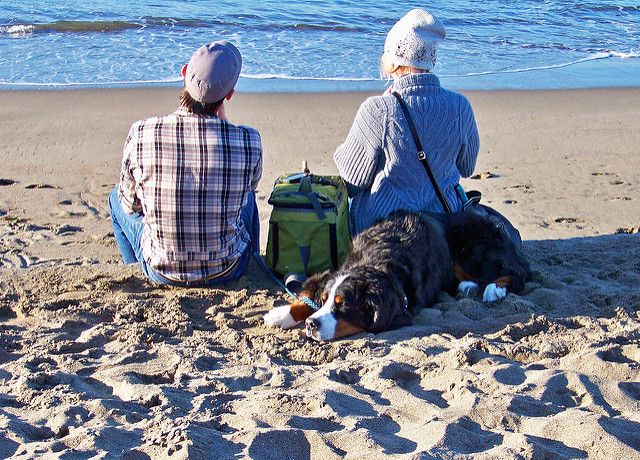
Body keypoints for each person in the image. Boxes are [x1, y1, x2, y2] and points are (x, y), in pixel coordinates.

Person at [109, 41, 262, 286]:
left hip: (163, 269)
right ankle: (252, 262)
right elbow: (246, 192)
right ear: (230, 95)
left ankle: (137, 268)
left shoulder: (141, 132)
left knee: (115, 198)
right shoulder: (249, 140)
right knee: (250, 199)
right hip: (227, 268)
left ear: (183, 72)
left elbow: (131, 205)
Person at [334, 9, 479, 234]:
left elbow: (352, 181)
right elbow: (467, 167)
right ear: (430, 58)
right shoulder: (461, 106)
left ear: (393, 61)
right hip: (442, 228)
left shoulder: (377, 109)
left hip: (385, 231)